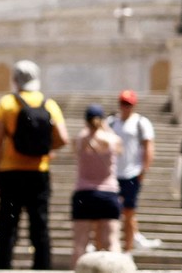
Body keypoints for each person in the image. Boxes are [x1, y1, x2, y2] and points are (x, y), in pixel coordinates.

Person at [0, 60, 69, 270]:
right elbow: (63, 138)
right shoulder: (48, 103)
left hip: (10, 172)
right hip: (39, 172)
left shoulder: (6, 103)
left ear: (15, 80)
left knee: (7, 227)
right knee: (40, 225)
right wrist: (46, 151)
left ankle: (3, 267)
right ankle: (42, 267)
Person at [107, 89, 160, 252]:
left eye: (128, 104)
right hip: (112, 174)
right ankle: (112, 246)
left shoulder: (141, 123)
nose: (125, 107)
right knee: (111, 213)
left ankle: (128, 249)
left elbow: (148, 147)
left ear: (133, 105)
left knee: (129, 213)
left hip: (131, 173)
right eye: (123, 103)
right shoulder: (110, 122)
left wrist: (143, 170)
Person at [71, 104, 122, 268]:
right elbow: (120, 148)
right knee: (111, 240)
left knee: (80, 243)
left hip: (84, 192)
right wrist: (105, 128)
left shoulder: (80, 139)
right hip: (108, 192)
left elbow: (77, 147)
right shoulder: (111, 139)